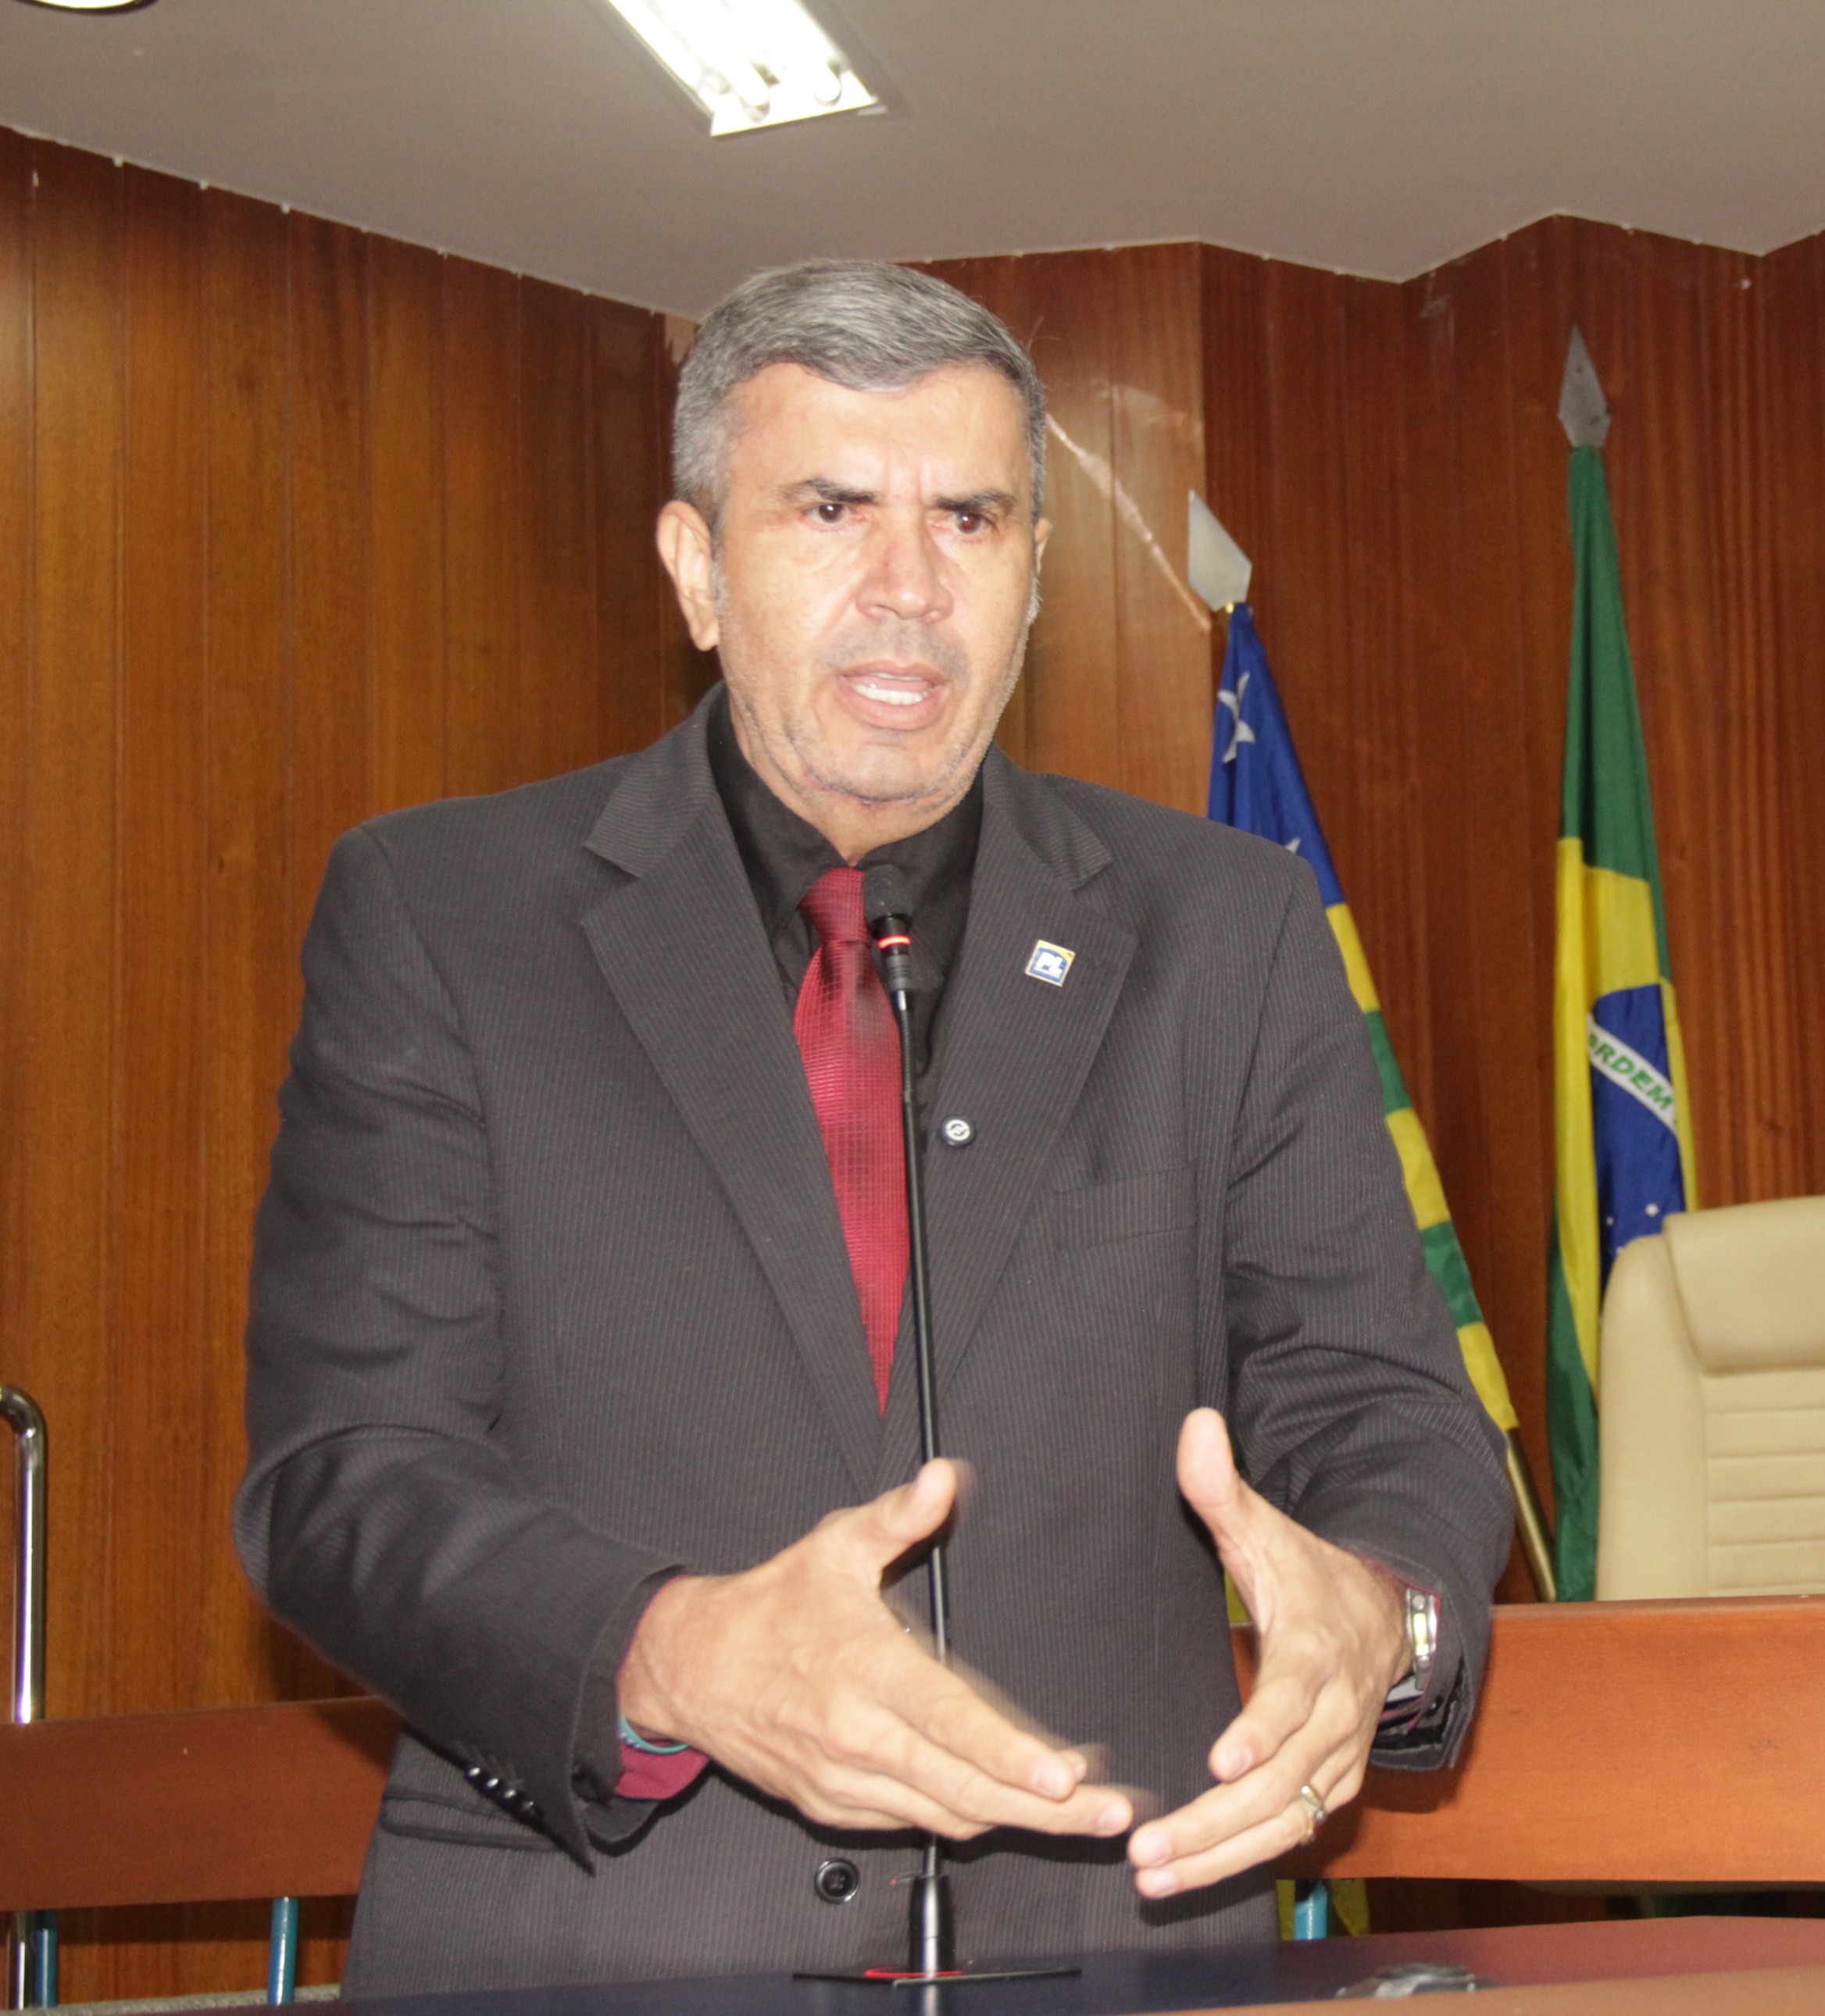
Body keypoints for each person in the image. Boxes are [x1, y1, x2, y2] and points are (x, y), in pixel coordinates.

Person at [234, 260, 1512, 1995]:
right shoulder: (446, 915)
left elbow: (1383, 1405)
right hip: (591, 1954)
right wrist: (672, 1651)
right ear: (696, 567)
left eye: (970, 519)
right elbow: (345, 1477)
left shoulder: (1227, 930)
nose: (909, 587)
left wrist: (1384, 1608)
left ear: (1034, 575)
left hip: (1107, 1942)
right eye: (831, 509)